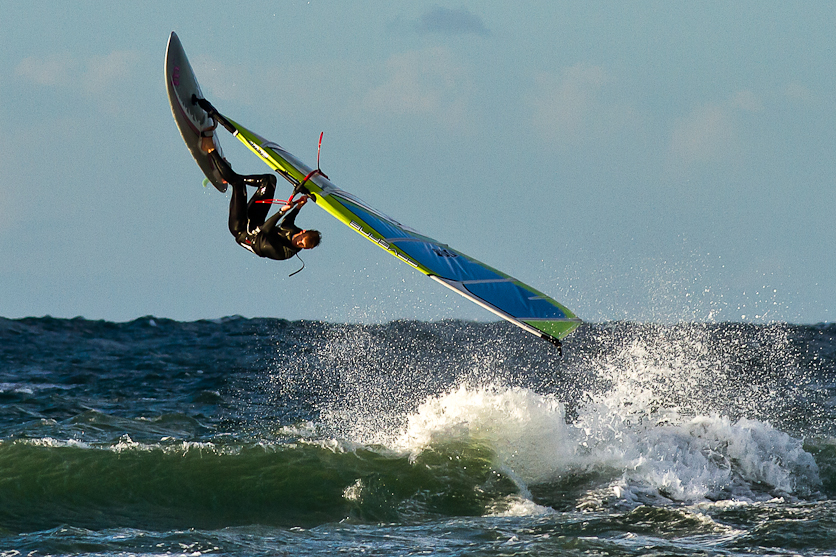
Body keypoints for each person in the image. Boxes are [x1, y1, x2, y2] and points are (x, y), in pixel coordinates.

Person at [195, 97, 321, 261]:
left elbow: (265, 231)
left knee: (239, 185)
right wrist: (298, 207)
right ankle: (228, 175)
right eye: (301, 240)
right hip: (255, 221)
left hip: (241, 229)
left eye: (302, 246)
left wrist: (281, 211)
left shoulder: (285, 253)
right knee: (269, 181)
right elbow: (287, 224)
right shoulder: (295, 232)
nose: (298, 243)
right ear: (303, 232)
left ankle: (209, 149)